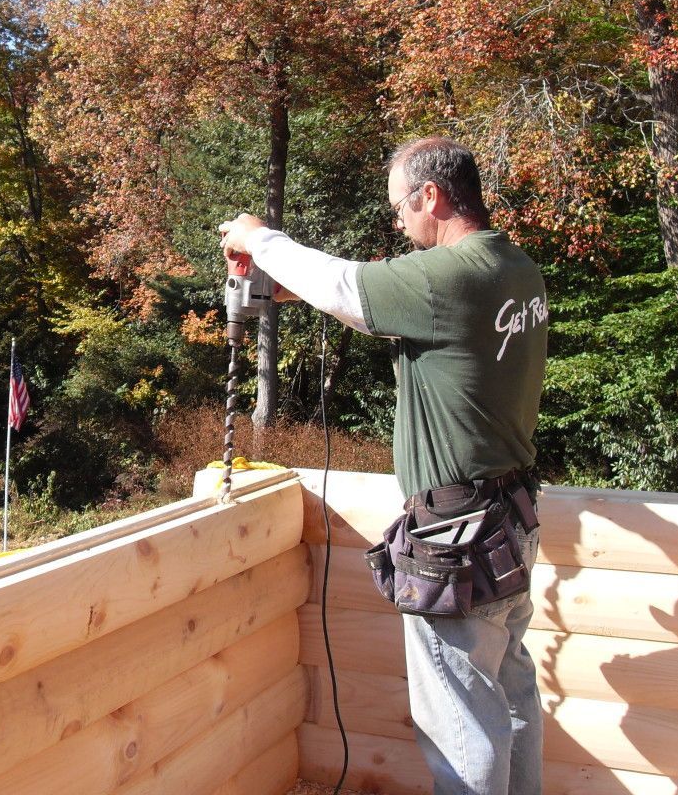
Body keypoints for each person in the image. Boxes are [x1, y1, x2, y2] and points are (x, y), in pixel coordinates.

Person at [218, 136, 547, 795]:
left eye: (400, 207)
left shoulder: (451, 278)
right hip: (510, 521)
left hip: (457, 536)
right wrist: (291, 288)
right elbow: (376, 295)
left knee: (463, 728)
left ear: (431, 195)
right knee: (510, 699)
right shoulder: (514, 269)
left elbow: (351, 285)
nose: (397, 222)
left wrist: (259, 237)